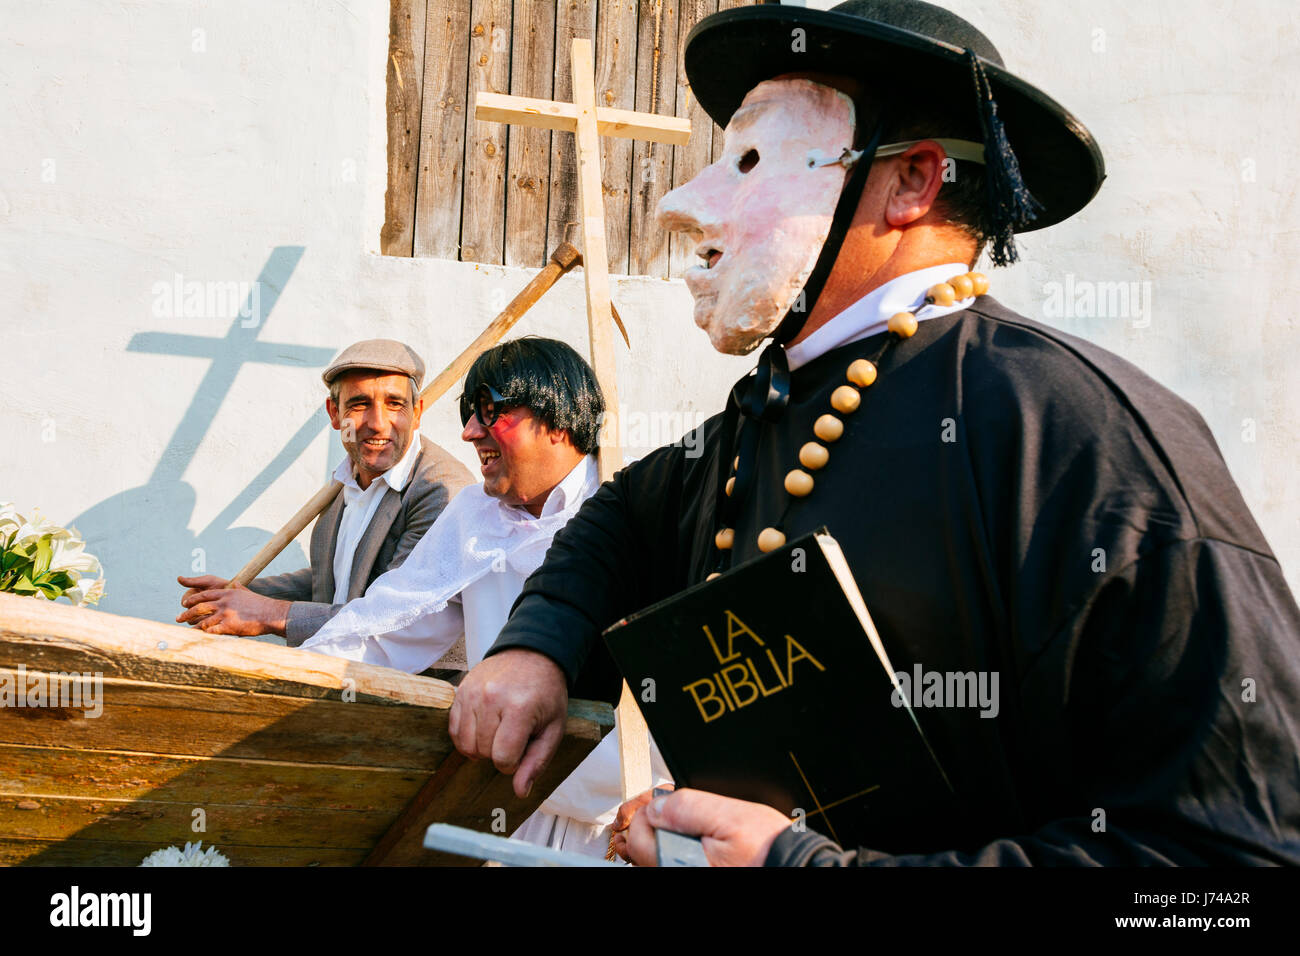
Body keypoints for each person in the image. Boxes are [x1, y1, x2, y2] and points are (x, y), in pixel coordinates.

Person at [449, 0, 1300, 867]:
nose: (681, 205)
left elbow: (1232, 866)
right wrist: (540, 644)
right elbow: (625, 520)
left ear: (911, 182)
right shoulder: (760, 418)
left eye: (752, 161)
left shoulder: (1080, 432)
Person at [298, 337, 670, 859]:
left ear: (556, 420)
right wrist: (290, 686)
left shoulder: (639, 511)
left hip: (626, 822)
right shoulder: (473, 515)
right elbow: (388, 627)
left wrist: (689, 791)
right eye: (470, 414)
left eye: (491, 412)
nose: (471, 432)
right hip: (510, 801)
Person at [175, 338, 472, 646]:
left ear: (418, 411)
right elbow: (332, 580)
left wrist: (269, 613)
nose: (378, 424)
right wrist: (243, 596)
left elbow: (395, 616)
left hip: (415, 688)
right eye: (359, 404)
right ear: (334, 413)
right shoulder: (346, 481)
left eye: (395, 404)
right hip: (343, 680)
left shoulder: (441, 490)